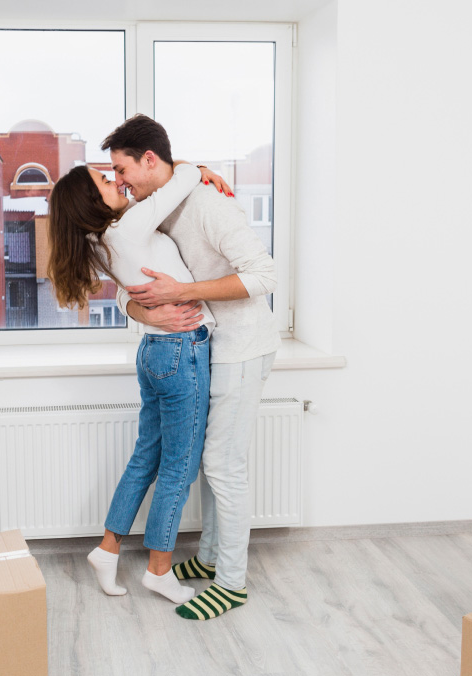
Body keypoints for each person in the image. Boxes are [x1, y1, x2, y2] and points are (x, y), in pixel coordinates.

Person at [101, 114, 280, 621]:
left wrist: (182, 292)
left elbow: (264, 275)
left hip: (242, 347)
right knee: (206, 461)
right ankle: (207, 559)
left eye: (121, 170)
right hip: (203, 350)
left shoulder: (208, 204)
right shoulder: (153, 209)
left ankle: (232, 583)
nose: (118, 183)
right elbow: (127, 289)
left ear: (150, 160)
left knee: (225, 465)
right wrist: (144, 309)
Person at [47, 156, 231, 604]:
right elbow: (179, 179)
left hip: (153, 352)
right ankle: (159, 571)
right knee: (179, 467)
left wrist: (141, 310)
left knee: (146, 458)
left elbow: (128, 294)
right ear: (93, 201)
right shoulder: (127, 229)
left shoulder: (98, 241)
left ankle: (108, 550)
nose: (117, 181)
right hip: (180, 353)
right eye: (106, 180)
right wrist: (197, 165)